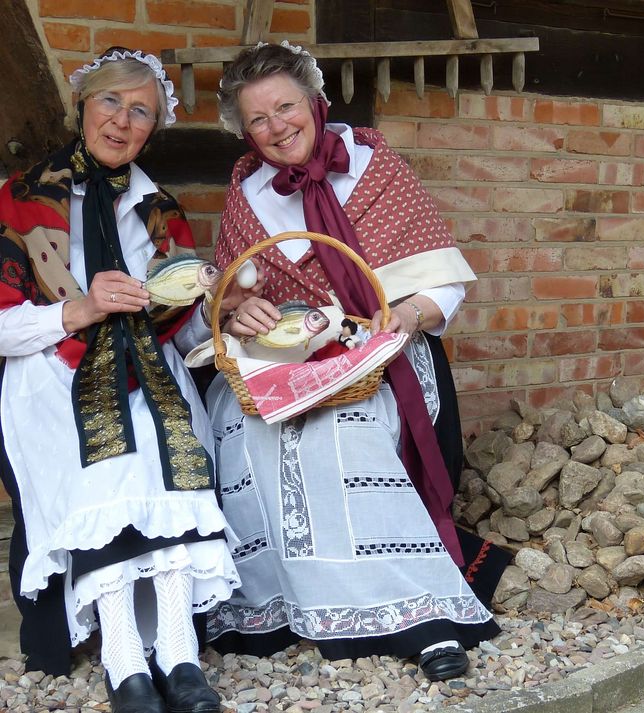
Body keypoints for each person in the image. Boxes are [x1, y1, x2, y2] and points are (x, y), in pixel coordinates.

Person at [205, 41, 508, 682]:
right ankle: (286, 603)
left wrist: (406, 316)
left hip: (384, 350)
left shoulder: (376, 170)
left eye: (286, 107)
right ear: (243, 129)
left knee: (339, 435)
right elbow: (233, 300)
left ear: (314, 103)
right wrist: (240, 316)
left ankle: (418, 614)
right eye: (257, 120)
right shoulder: (247, 195)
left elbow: (442, 285)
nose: (276, 127)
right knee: (245, 424)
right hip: (289, 360)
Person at [0, 48, 248, 713]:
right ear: (82, 103)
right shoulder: (22, 200)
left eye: (141, 111)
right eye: (111, 101)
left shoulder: (160, 209)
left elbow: (186, 329)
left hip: (146, 370)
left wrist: (223, 315)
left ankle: (177, 655)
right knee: (107, 451)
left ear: (153, 127)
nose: (122, 120)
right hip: (52, 370)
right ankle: (124, 660)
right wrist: (79, 307)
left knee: (159, 433)